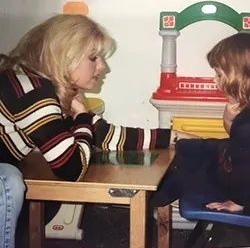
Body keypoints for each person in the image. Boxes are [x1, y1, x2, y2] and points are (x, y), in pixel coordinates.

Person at [0, 14, 195, 247]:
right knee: (10, 180)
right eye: (94, 58)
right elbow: (71, 169)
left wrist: (172, 137)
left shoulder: (44, 87)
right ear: (65, 57)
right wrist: (82, 115)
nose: (103, 66)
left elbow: (105, 134)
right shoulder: (34, 92)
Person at [150, 32, 250, 214]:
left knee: (187, 171)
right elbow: (234, 137)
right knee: (189, 147)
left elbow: (246, 169)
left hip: (235, 179)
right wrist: (229, 116)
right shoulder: (244, 108)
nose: (215, 80)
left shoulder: (247, 125)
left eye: (219, 75)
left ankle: (154, 196)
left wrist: (239, 201)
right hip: (228, 158)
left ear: (242, 77)